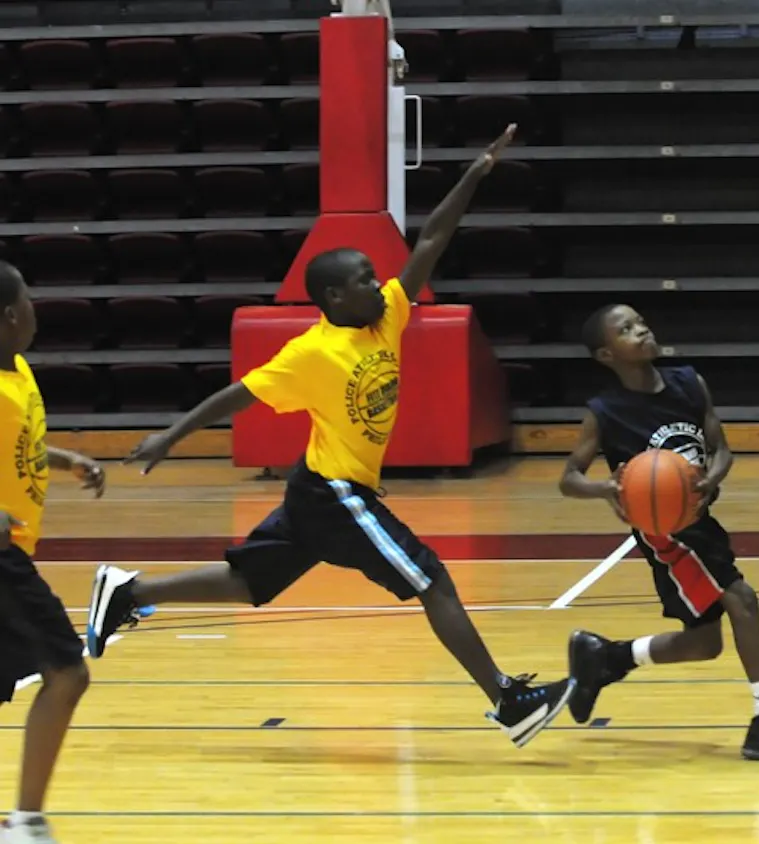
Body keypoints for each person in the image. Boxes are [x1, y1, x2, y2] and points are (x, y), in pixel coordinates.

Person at [84, 127, 576, 748]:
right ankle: (509, 701)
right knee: (434, 582)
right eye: (366, 279)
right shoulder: (310, 352)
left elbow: (431, 239)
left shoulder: (387, 317)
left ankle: (129, 591)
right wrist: (170, 437)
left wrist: (476, 172)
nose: (381, 285)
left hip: (316, 490)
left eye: (376, 277)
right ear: (333, 296)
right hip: (335, 494)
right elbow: (237, 393)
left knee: (249, 583)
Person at [559, 304, 759, 763]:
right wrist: (605, 487)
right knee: (742, 599)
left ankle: (607, 658)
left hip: (700, 520)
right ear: (607, 354)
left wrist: (712, 477)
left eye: (641, 321)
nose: (641, 329)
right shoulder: (605, 412)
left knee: (705, 643)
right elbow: (568, 477)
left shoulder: (689, 383)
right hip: (666, 531)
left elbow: (721, 449)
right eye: (626, 329)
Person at [0, 263, 108, 843]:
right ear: (12, 315)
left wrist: (64, 460)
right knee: (67, 672)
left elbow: (20, 443)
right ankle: (27, 822)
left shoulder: (15, 372)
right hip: (2, 558)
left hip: (13, 551)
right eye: (31, 302)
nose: (37, 313)